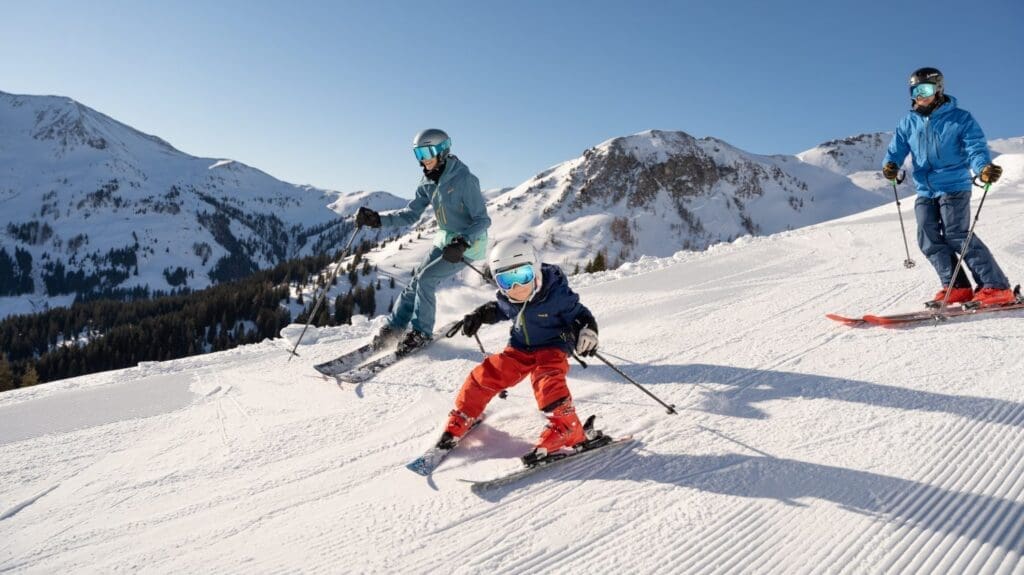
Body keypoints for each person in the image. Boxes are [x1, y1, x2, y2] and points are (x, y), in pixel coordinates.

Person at [436, 240, 601, 464]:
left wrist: (588, 331)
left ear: (534, 269)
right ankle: (465, 414)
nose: (516, 287)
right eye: (506, 280)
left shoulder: (556, 295)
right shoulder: (508, 297)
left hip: (553, 347)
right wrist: (480, 315)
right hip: (520, 348)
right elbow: (499, 310)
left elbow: (580, 315)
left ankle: (568, 428)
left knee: (546, 381)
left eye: (522, 275)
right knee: (485, 375)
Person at [882, 67, 1011, 306]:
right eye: (915, 90)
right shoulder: (908, 122)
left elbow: (975, 147)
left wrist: (983, 168)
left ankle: (996, 286)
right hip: (924, 188)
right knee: (927, 238)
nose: (921, 95)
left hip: (953, 185)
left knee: (957, 234)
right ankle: (957, 287)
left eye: (926, 89)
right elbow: (896, 150)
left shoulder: (960, 118)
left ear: (939, 89)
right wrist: (891, 165)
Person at [355, 129, 491, 355]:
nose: (423, 158)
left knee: (427, 280)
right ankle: (395, 327)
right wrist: (378, 220)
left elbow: (482, 219)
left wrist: (463, 242)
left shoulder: (464, 180)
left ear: (443, 150)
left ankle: (420, 333)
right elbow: (410, 214)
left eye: (428, 151)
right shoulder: (428, 181)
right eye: (418, 153)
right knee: (416, 282)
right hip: (445, 241)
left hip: (468, 245)